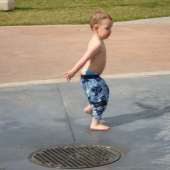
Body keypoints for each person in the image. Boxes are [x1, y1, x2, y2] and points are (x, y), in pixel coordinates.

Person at [65, 11, 113, 131]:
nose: (110, 31)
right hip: (90, 78)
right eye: (107, 28)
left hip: (92, 77)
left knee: (105, 91)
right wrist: (73, 71)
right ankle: (95, 123)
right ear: (96, 28)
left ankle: (91, 108)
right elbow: (84, 58)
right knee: (100, 100)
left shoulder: (97, 41)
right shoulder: (96, 44)